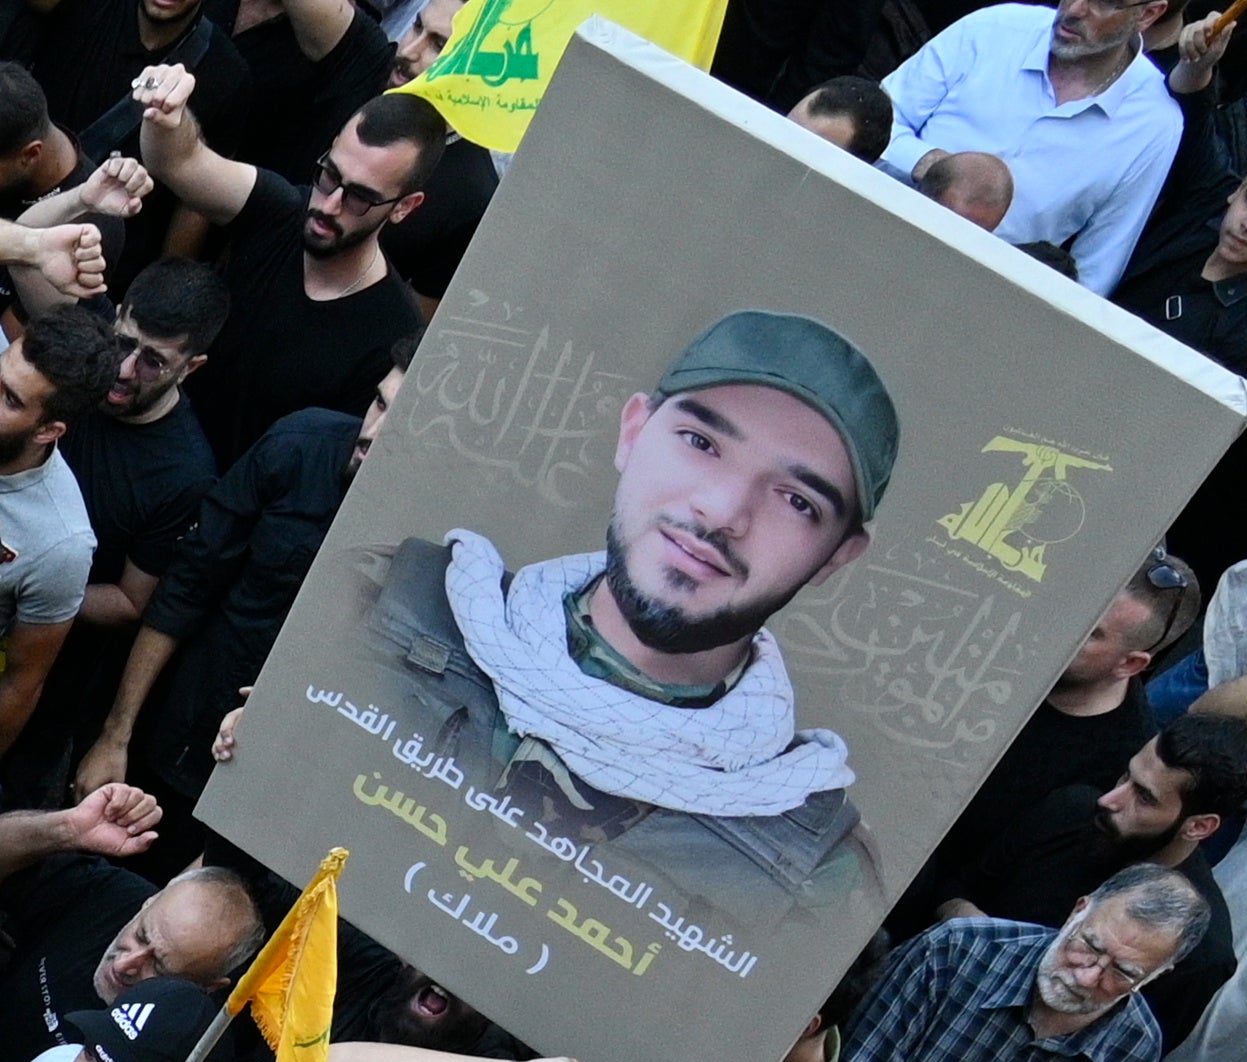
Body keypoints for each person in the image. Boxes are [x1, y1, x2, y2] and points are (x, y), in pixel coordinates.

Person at [341, 308, 898, 919]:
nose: (720, 511)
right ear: (633, 433)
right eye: (701, 443)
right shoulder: (385, 600)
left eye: (796, 500)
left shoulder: (814, 866)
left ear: (836, 557)